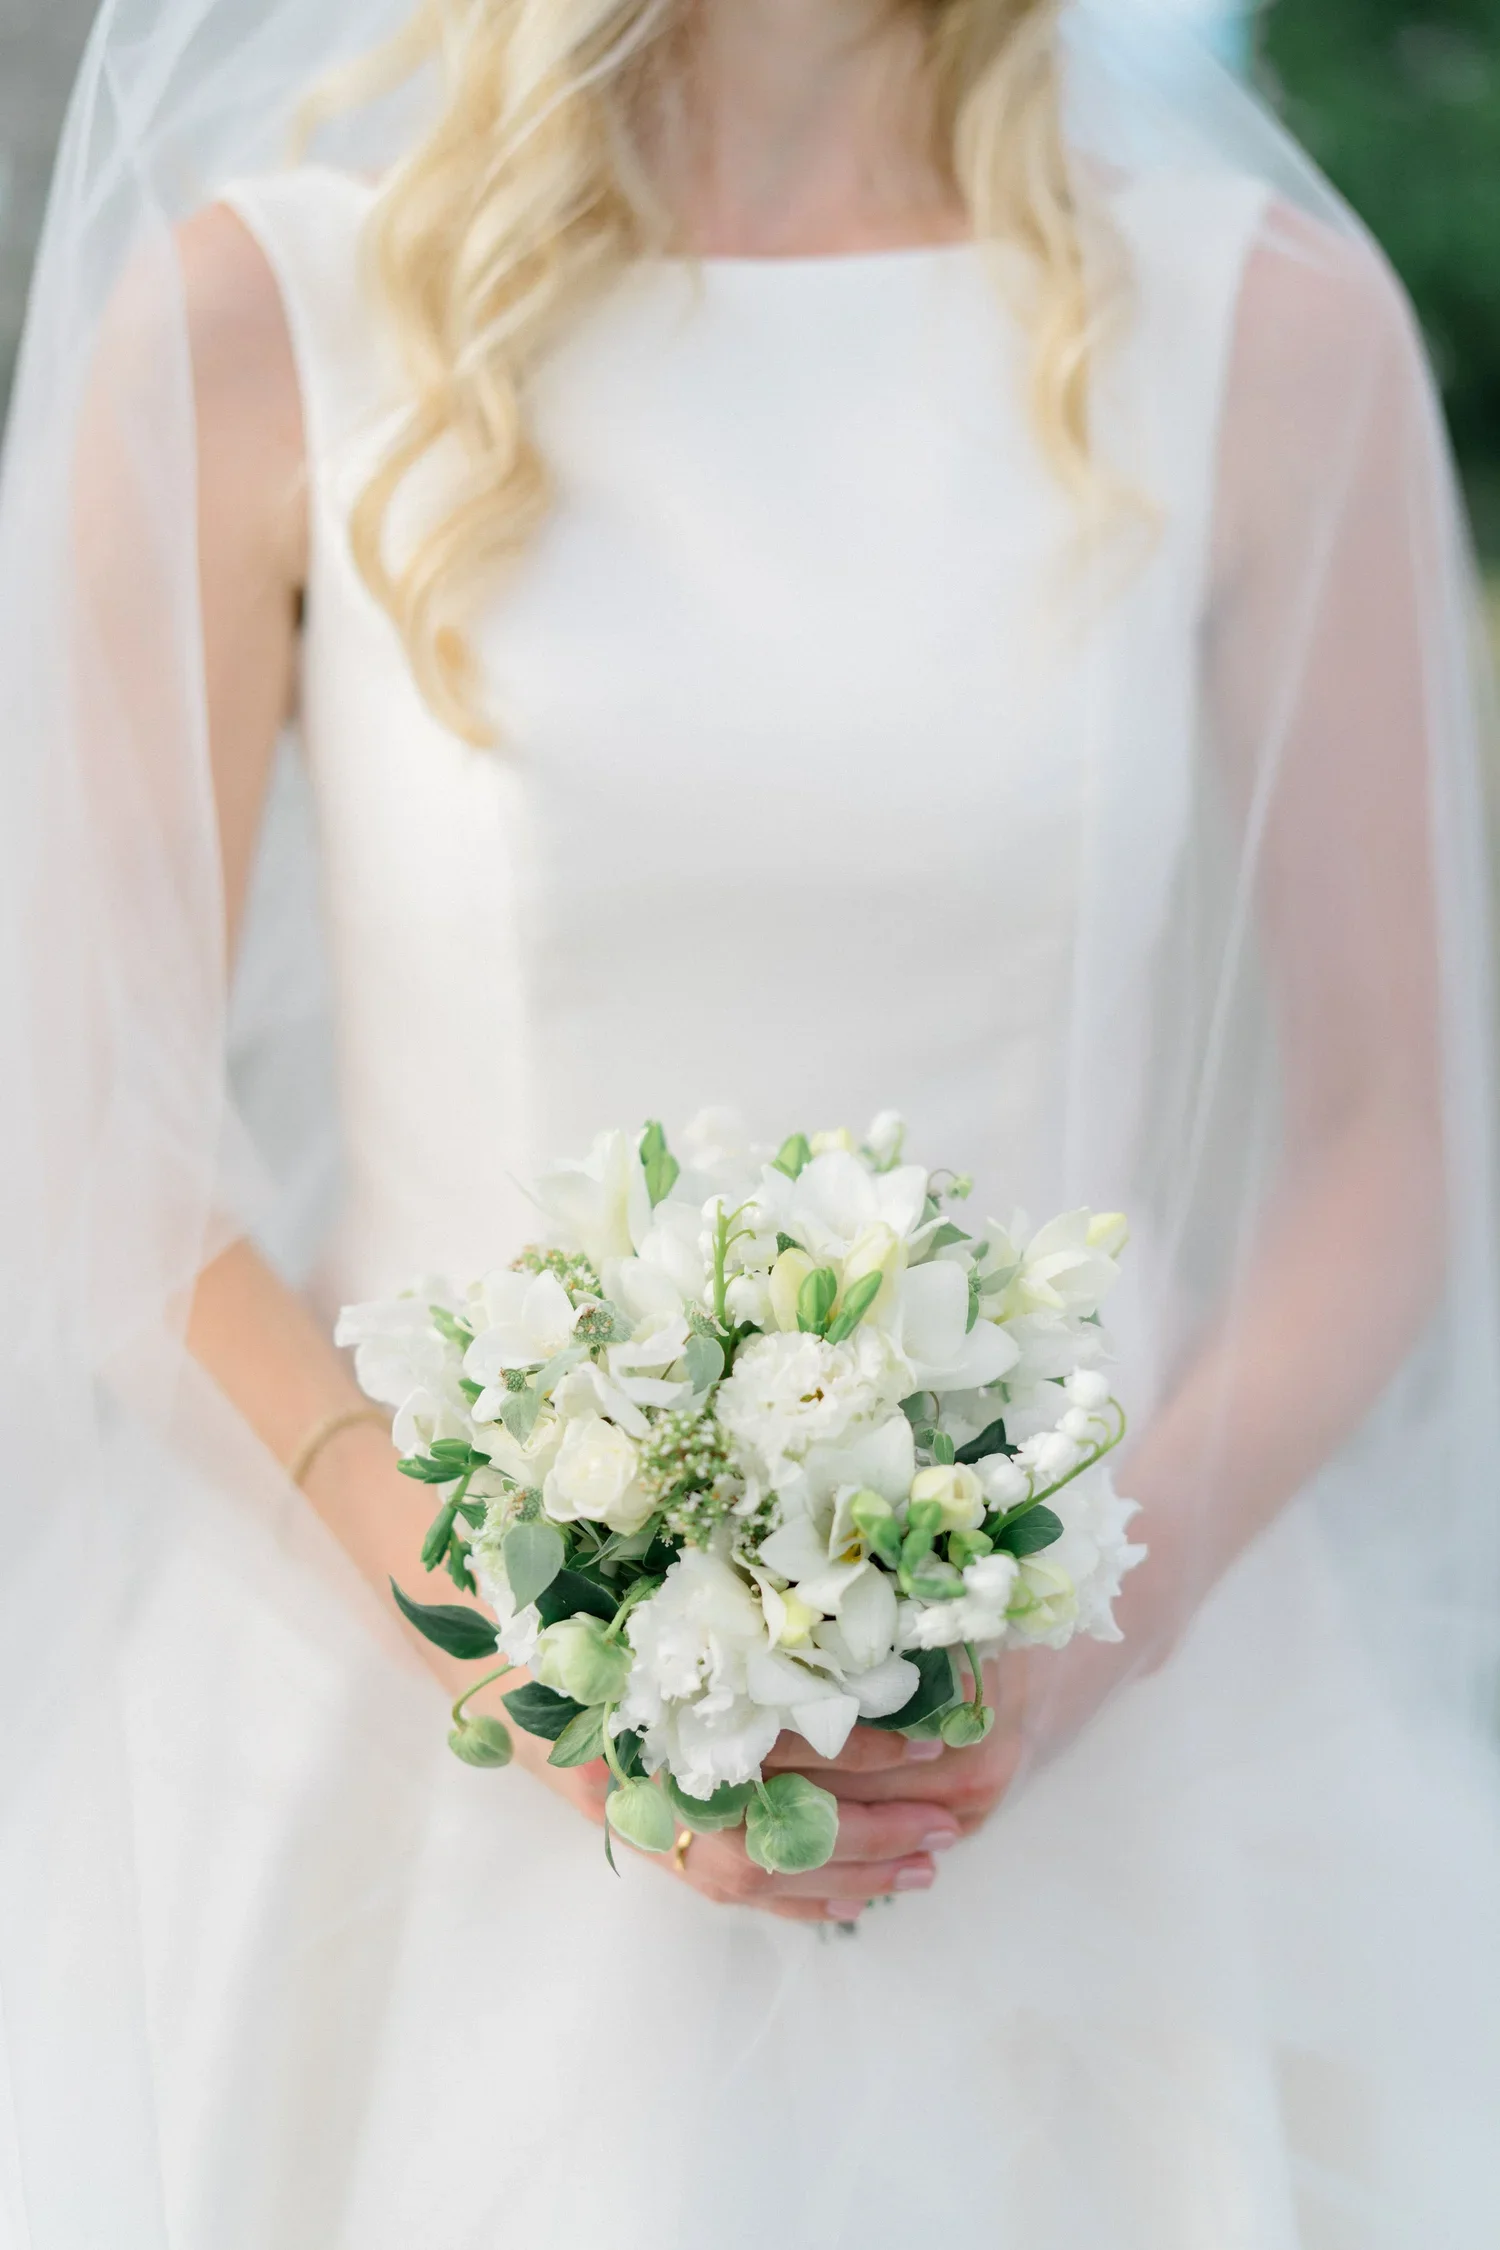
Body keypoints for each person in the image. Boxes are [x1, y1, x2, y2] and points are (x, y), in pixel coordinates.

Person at [1, 0, 1497, 2242]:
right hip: (405, 1736)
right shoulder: (256, 321)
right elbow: (103, 1150)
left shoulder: (1263, 335)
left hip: (1113, 1729)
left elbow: (1388, 1135)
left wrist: (1073, 1640)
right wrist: (522, 1642)